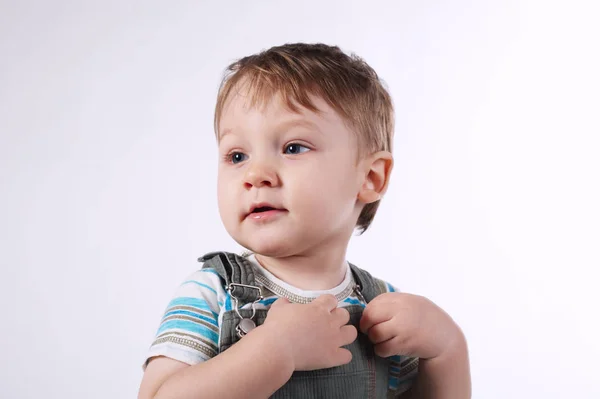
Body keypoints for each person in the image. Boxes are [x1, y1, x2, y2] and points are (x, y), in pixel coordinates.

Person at [138, 43, 471, 399]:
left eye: (293, 147)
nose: (256, 174)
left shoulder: (383, 309)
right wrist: (275, 351)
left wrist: (448, 351)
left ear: (370, 178)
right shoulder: (214, 294)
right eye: (237, 155)